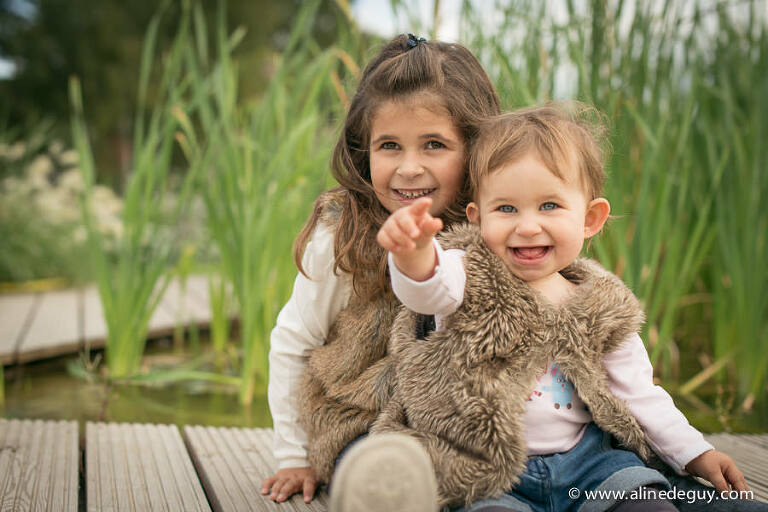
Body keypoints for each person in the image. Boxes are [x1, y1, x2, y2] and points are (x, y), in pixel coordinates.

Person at [374, 103, 759, 511]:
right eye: (505, 208)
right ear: (478, 217)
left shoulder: (597, 304)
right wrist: (415, 254)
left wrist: (696, 453)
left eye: (549, 206)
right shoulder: (467, 274)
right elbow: (426, 291)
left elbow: (639, 394)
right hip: (492, 472)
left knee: (650, 504)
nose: (527, 226)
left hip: (589, 465)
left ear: (590, 218)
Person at [259, 32, 501, 506]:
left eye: (434, 144)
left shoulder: (496, 223)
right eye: (389, 145)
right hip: (361, 418)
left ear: (474, 148)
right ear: (362, 150)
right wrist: (293, 454)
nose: (409, 168)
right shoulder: (344, 234)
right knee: (383, 470)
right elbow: (294, 339)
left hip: (458, 427)